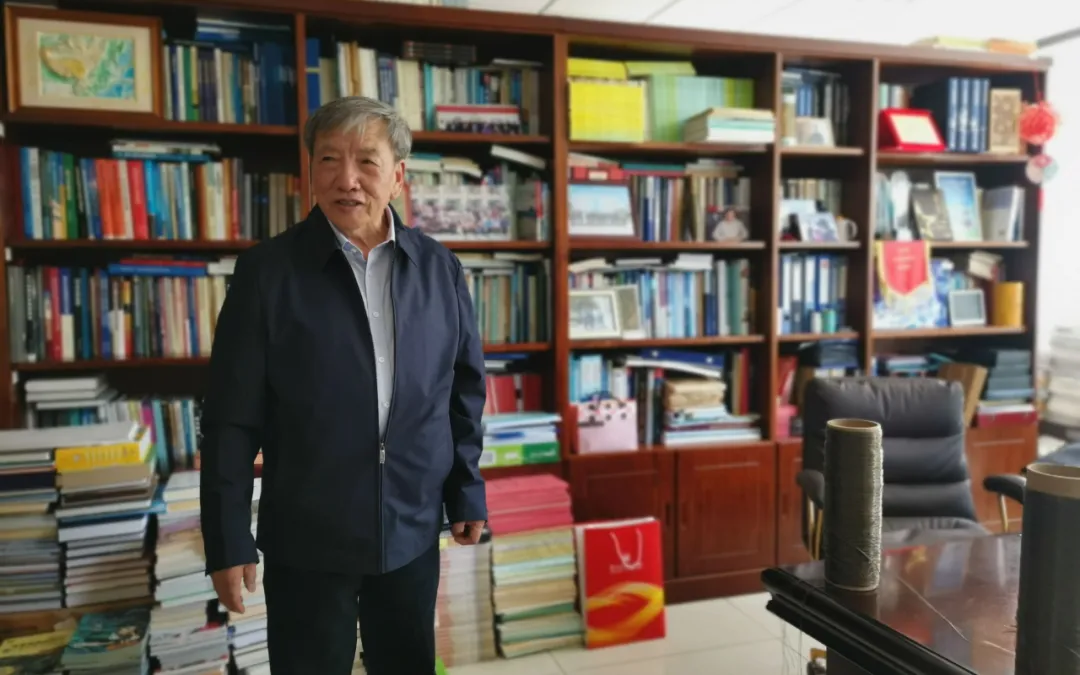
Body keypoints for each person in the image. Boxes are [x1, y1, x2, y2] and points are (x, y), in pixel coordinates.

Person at [199, 96, 489, 675]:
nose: (346, 179)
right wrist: (228, 538)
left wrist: (466, 490)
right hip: (306, 536)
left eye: (366, 161)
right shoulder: (266, 274)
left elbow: (462, 393)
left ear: (398, 176)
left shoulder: (439, 270)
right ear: (310, 171)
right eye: (329, 159)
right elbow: (231, 419)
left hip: (410, 527)